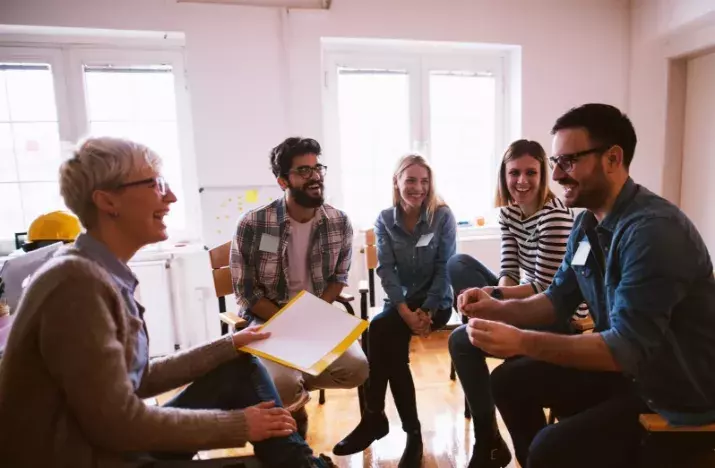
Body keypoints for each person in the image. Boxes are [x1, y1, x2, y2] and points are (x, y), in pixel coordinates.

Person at [0, 136, 334, 468]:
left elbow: (139, 379)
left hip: (102, 445)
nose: (171, 197)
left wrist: (230, 343)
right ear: (107, 201)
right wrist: (241, 425)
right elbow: (118, 425)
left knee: (239, 364)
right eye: (156, 185)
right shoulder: (77, 284)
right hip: (84, 457)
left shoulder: (96, 269)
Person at [459, 103, 715, 468]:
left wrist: (519, 340)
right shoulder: (587, 226)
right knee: (508, 383)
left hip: (670, 394)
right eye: (556, 161)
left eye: (569, 161)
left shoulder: (654, 232)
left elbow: (623, 348)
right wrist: (495, 307)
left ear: (613, 159)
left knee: (551, 448)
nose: (558, 174)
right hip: (627, 373)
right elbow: (556, 300)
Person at [448, 139, 585, 468]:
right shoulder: (509, 213)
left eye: (531, 173)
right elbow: (509, 271)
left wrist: (494, 300)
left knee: (461, 340)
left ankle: (490, 442)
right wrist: (497, 305)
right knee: (458, 263)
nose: (521, 181)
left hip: (560, 314)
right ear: (503, 176)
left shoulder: (554, 218)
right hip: (529, 297)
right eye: (514, 173)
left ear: (543, 175)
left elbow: (545, 289)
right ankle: (489, 438)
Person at [230, 137, 369, 435]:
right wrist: (289, 325)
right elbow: (247, 292)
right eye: (304, 171)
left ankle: (293, 385)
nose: (315, 176)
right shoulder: (254, 224)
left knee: (358, 369)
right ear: (283, 181)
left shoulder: (338, 222)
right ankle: (296, 426)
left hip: (314, 318)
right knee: (281, 383)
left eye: (318, 168)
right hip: (269, 321)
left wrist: (311, 316)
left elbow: (338, 279)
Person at [332, 154, 457, 467]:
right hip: (400, 304)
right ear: (397, 182)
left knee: (381, 332)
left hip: (435, 302)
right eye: (411, 180)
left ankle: (375, 418)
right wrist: (404, 310)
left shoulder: (442, 216)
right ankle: (410, 433)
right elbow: (386, 270)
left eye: (424, 181)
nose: (418, 187)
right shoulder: (385, 219)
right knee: (386, 334)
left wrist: (426, 310)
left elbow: (446, 267)